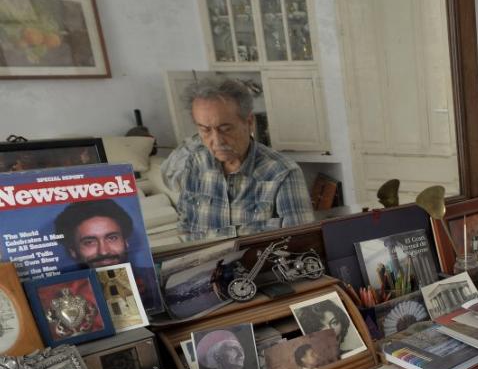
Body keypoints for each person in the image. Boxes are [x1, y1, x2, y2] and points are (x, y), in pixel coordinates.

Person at [162, 78, 314, 242]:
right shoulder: (196, 162)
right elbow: (186, 229)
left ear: (249, 122)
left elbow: (301, 245)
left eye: (226, 129)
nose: (217, 141)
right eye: (205, 130)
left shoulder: (282, 173)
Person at [53, 200, 158, 306]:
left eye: (112, 238)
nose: (103, 251)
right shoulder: (59, 295)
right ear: (73, 251)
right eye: (89, 242)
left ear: (125, 242)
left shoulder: (153, 280)